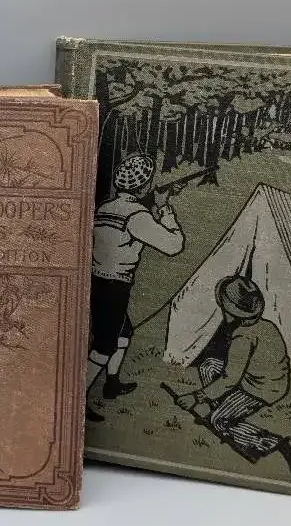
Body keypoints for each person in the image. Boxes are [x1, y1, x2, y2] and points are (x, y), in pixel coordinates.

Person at [86, 153, 185, 422]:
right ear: (144, 186)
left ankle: (112, 383)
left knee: (123, 332)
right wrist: (165, 211)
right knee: (104, 346)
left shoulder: (105, 207)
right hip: (115, 286)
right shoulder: (137, 216)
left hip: (98, 281)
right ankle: (78, 398)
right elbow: (173, 246)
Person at [174, 275, 291, 475]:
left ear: (231, 311)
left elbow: (230, 379)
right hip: (259, 378)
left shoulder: (242, 337)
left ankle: (277, 444)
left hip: (262, 389)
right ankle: (221, 407)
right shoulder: (264, 325)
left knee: (219, 422)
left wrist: (196, 396)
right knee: (209, 366)